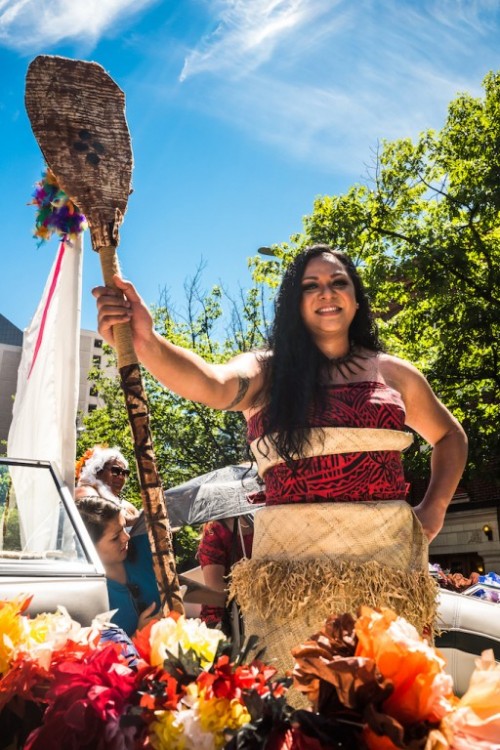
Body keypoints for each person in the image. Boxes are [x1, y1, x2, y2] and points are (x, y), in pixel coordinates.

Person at [93, 243, 467, 668]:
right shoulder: (266, 372)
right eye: (311, 286)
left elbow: (450, 437)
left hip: (389, 570)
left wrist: (434, 509)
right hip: (290, 581)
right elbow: (212, 384)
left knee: (388, 712)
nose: (327, 293)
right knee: (297, 715)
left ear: (357, 298)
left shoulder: (395, 374)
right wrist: (148, 341)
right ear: (294, 303)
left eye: (338, 282)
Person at [75, 493, 160, 635]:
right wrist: (139, 633)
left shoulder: (142, 547)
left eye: (124, 528)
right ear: (88, 546)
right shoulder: (86, 593)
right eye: (115, 537)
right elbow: (100, 652)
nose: (126, 537)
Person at [197, 515, 254, 633]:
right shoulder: (213, 532)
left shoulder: (256, 519)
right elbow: (214, 586)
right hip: (225, 616)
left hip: (256, 609)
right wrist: (254, 594)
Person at [75, 445, 139, 524]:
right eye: (116, 471)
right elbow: (115, 520)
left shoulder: (126, 505)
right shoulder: (86, 493)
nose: (121, 477)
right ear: (98, 471)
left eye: (125, 473)